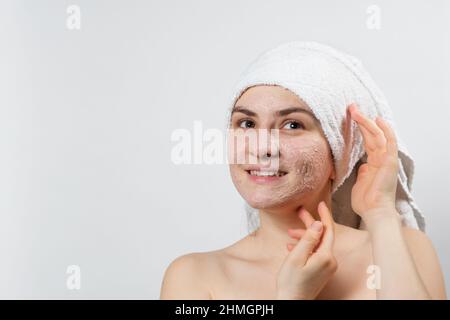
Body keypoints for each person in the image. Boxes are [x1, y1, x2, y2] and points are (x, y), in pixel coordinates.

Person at [160, 42, 447, 300]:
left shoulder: (406, 249)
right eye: (246, 124)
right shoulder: (193, 278)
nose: (263, 149)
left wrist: (381, 214)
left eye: (293, 125)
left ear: (340, 150)